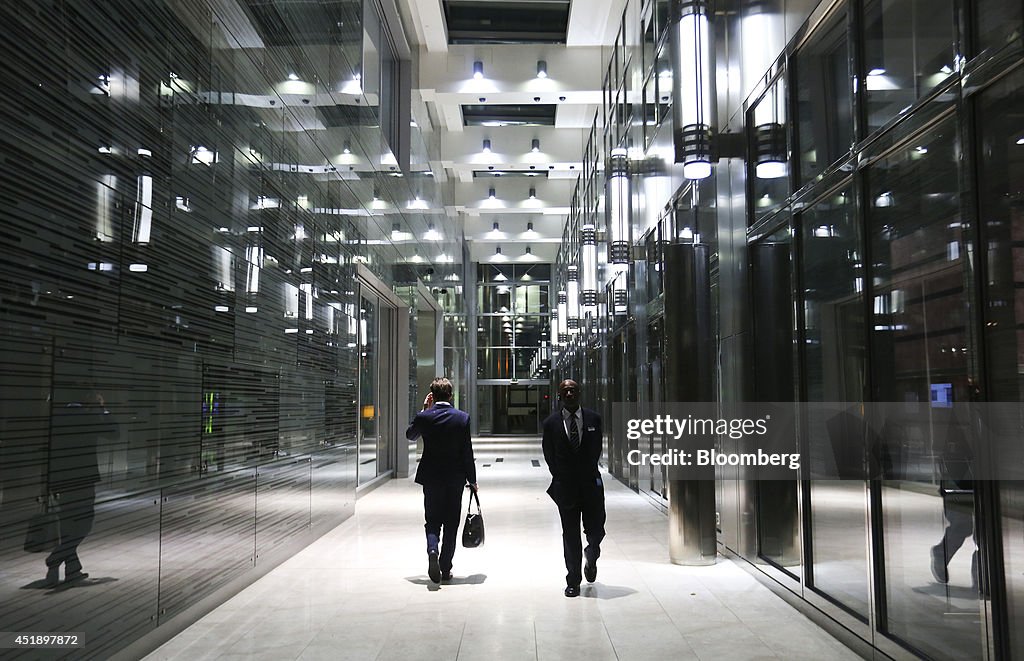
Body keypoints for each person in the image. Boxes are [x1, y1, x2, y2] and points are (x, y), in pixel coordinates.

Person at [406, 377, 476, 584]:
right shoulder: (462, 418)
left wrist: (423, 410)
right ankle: (445, 568)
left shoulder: (425, 417)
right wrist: (472, 480)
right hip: (455, 478)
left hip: (431, 477)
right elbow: (466, 451)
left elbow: (410, 435)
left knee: (433, 520)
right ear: (451, 395)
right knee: (452, 523)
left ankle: (432, 549)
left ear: (432, 396)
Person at [43, 385, 115, 587]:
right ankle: (54, 559)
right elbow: (113, 433)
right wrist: (103, 409)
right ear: (88, 397)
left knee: (67, 525)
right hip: (82, 479)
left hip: (61, 480)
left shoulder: (56, 417)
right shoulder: (88, 417)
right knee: (84, 523)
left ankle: (72, 570)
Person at [542, 379, 605, 597]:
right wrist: (559, 476)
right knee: (570, 534)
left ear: (579, 393)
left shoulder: (594, 419)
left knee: (596, 531)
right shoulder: (551, 424)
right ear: (559, 395)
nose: (569, 393)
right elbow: (548, 454)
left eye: (573, 390)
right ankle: (573, 580)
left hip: (590, 486)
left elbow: (596, 449)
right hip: (566, 487)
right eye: (565, 391)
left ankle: (592, 554)